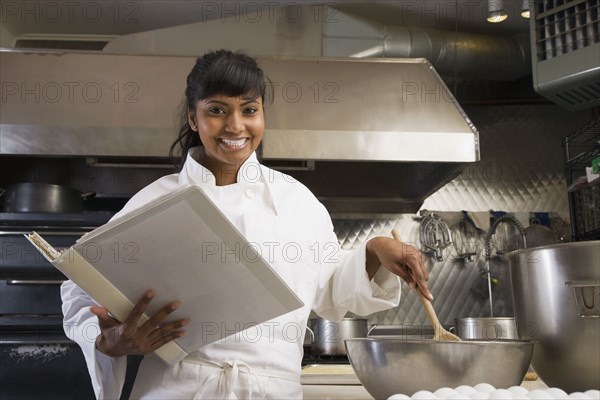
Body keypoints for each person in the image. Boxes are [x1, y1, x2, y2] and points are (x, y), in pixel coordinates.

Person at [61, 49, 432, 400]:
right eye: (217, 110)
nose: (235, 125)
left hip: (272, 391)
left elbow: (331, 288)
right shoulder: (155, 200)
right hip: (177, 389)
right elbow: (82, 289)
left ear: (262, 115)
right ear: (194, 118)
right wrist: (109, 340)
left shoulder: (295, 201)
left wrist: (374, 251)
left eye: (249, 109)